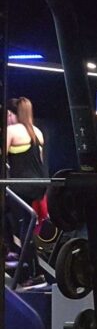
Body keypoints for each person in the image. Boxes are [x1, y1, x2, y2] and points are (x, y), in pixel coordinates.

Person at [5, 97, 47, 274]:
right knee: (26, 224)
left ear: (11, 114)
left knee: (10, 215)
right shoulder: (37, 132)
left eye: (7, 115)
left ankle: (12, 252)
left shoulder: (11, 130)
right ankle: (32, 270)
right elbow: (40, 161)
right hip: (38, 184)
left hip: (22, 185)